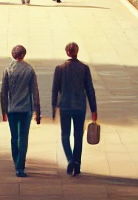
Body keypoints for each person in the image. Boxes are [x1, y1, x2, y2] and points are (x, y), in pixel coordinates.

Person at [52, 41, 97, 176]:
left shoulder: (59, 69)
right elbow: (90, 90)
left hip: (65, 106)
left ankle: (70, 159)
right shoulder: (84, 68)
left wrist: (53, 107)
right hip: (79, 106)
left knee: (65, 134)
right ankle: (77, 164)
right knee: (78, 135)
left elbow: (55, 90)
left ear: (67, 52)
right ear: (77, 51)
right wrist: (94, 110)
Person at [0, 44, 41, 178]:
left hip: (12, 109)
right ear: (23, 55)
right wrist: (37, 112)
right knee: (23, 138)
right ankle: (20, 166)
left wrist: (4, 110)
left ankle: (16, 161)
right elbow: (35, 91)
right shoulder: (29, 70)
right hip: (25, 109)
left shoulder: (7, 70)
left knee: (14, 137)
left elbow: (3, 92)